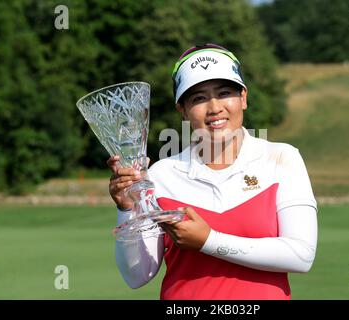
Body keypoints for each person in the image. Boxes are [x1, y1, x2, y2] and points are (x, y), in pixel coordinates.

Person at [108, 43, 318, 300]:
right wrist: (127, 209)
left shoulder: (281, 158)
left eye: (224, 92)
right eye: (199, 98)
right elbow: (137, 275)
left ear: (243, 98)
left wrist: (209, 241)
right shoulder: (161, 175)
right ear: (182, 111)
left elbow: (301, 255)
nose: (215, 107)